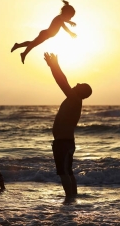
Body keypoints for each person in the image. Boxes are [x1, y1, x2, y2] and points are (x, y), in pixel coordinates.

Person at [43, 52, 92, 198]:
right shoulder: (73, 99)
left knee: (64, 172)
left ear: (82, 91)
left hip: (64, 143)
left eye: (80, 85)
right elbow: (64, 80)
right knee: (67, 171)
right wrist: (56, 65)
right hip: (63, 142)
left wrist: (53, 66)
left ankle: (69, 199)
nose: (76, 84)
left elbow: (61, 83)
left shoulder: (75, 99)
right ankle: (72, 199)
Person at [11, 0, 77, 64]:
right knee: (33, 44)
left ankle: (17, 45)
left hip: (46, 35)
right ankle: (23, 54)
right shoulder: (59, 17)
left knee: (31, 43)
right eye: (70, 17)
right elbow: (64, 20)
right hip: (45, 34)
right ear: (66, 14)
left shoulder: (61, 21)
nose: (70, 18)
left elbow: (64, 27)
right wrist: (70, 22)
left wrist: (70, 33)